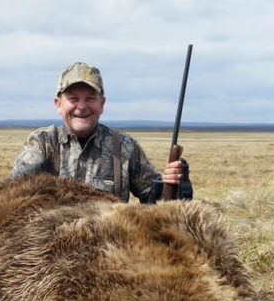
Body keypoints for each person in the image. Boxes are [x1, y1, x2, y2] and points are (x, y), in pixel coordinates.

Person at [10, 62, 189, 203]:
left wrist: (175, 186)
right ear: (58, 104)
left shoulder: (125, 147)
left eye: (90, 98)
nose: (81, 107)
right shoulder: (43, 143)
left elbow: (156, 204)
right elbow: (12, 191)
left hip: (110, 246)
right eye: (73, 99)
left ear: (101, 104)